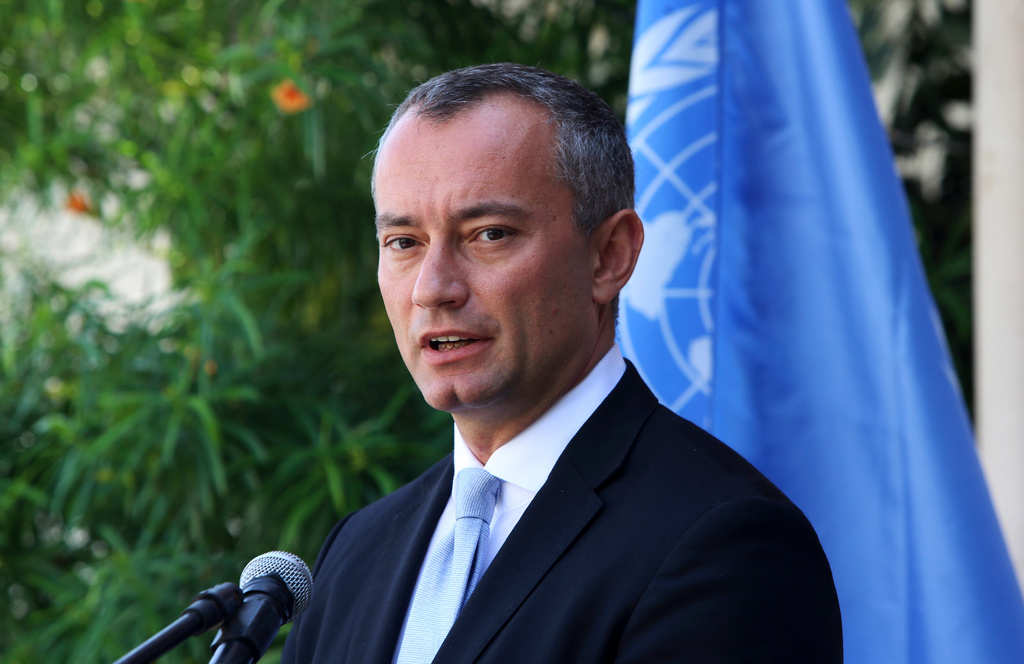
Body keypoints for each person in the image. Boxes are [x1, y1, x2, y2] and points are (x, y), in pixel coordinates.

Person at [282, 63, 842, 664]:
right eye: (404, 242)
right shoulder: (356, 552)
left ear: (609, 257)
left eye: (488, 234)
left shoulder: (725, 544)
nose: (432, 288)